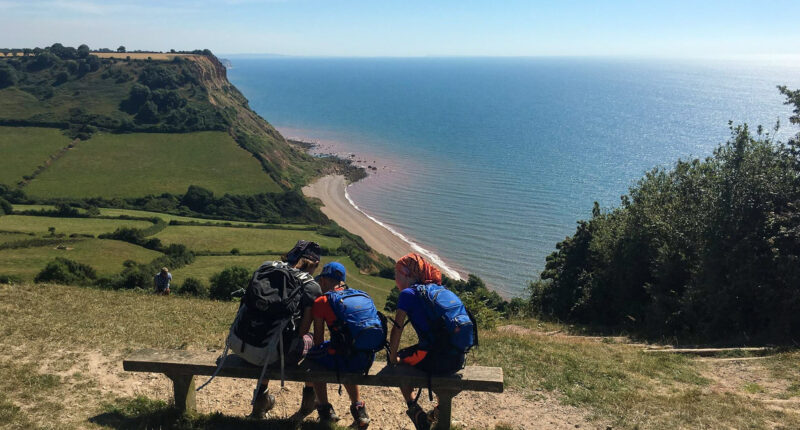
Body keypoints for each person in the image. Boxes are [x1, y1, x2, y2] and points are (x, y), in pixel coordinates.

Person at [243, 240, 323, 420]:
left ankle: (259, 405)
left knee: (270, 336)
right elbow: (302, 331)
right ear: (315, 264)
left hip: (244, 343)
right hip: (276, 354)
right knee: (313, 344)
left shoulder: (266, 268)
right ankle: (309, 401)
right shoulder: (311, 287)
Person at [387, 253, 468, 430]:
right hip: (457, 358)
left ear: (407, 275)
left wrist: (393, 357)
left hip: (437, 358)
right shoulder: (439, 290)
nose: (395, 277)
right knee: (422, 354)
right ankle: (439, 410)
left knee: (399, 363)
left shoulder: (408, 294)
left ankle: (415, 411)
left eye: (397, 273)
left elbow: (397, 329)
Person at [307, 262, 372, 427]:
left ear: (323, 280)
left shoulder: (322, 301)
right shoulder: (361, 295)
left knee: (313, 359)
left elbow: (319, 341)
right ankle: (359, 409)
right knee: (345, 351)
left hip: (347, 358)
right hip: (366, 357)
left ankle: (324, 410)